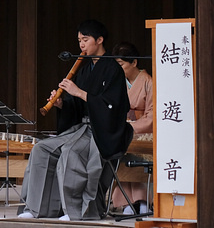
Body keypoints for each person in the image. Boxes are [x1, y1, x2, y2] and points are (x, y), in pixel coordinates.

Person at [18, 20, 131, 221]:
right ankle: (38, 208)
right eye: (79, 40)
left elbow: (113, 107)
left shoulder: (114, 69)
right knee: (41, 149)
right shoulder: (85, 69)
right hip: (81, 128)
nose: (81, 45)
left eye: (85, 40)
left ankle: (75, 211)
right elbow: (77, 106)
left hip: (101, 131)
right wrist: (62, 103)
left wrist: (78, 92)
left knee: (71, 152)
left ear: (99, 40)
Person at [112, 41, 153, 216]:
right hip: (124, 129)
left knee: (136, 151)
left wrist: (131, 127)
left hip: (144, 131)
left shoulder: (149, 82)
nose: (118, 69)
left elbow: (153, 115)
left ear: (134, 62)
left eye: (121, 64)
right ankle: (127, 202)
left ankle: (142, 200)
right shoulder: (119, 83)